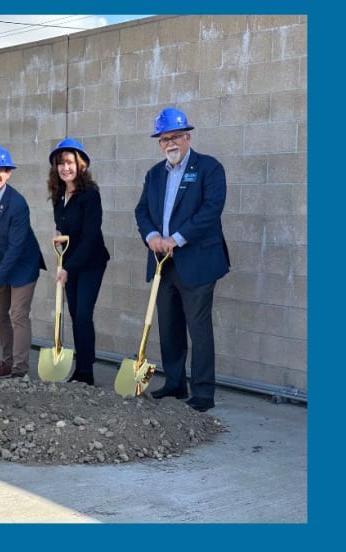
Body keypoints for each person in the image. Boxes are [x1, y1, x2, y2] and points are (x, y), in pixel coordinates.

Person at [134, 107, 230, 412]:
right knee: (169, 326)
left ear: (187, 137)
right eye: (164, 139)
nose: (170, 143)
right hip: (163, 262)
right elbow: (141, 212)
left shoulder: (209, 169)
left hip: (197, 261)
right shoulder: (154, 174)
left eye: (175, 137)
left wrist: (176, 238)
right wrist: (153, 238)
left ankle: (203, 392)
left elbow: (211, 210)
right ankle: (175, 383)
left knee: (198, 328)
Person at [0, 145, 47, 378]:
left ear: (9, 174)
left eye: (0, 170)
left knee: (18, 314)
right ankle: (6, 362)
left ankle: (19, 369)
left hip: (24, 264)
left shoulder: (18, 203)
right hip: (3, 262)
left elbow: (17, 248)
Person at [46, 138, 110, 386]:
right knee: (74, 313)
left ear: (80, 165)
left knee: (83, 313)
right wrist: (58, 235)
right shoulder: (59, 195)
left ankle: (86, 371)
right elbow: (65, 228)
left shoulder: (90, 195)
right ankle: (80, 368)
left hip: (91, 262)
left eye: (69, 162)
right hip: (70, 262)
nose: (65, 168)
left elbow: (91, 235)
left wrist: (68, 269)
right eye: (61, 164)